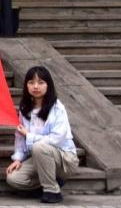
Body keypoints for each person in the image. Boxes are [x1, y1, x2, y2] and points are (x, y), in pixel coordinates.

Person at [6, 66, 79, 204]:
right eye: (31, 82)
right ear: (26, 85)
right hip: (38, 156)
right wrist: (18, 159)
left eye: (40, 82)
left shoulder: (57, 108)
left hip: (64, 159)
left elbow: (57, 139)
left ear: (48, 85)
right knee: (14, 178)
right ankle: (53, 182)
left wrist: (30, 135)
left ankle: (52, 191)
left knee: (39, 146)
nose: (35, 86)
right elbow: (20, 136)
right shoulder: (24, 108)